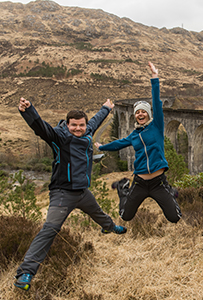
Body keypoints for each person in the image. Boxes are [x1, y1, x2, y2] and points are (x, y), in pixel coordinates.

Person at [13, 97, 126, 291]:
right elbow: (41, 128)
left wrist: (106, 108)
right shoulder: (59, 137)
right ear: (67, 124)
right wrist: (28, 110)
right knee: (49, 230)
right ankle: (25, 273)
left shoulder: (87, 130)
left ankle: (110, 227)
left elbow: (95, 121)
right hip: (62, 194)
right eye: (74, 125)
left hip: (82, 192)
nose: (78, 129)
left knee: (98, 213)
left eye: (81, 125)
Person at [97, 62, 181, 224]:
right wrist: (102, 147)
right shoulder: (134, 135)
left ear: (148, 114)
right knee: (125, 216)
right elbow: (119, 144)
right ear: (135, 116)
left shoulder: (157, 126)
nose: (140, 114)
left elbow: (156, 102)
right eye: (137, 112)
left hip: (158, 182)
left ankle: (170, 191)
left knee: (175, 217)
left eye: (143, 111)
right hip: (140, 182)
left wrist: (154, 78)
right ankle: (123, 188)